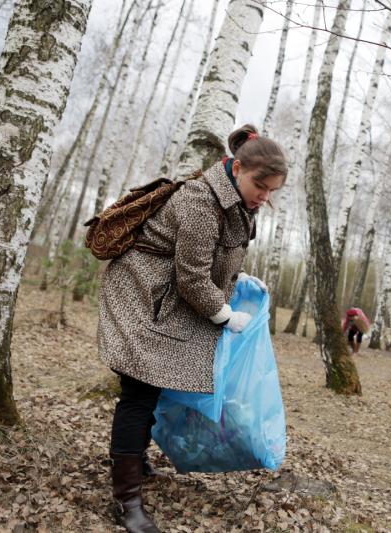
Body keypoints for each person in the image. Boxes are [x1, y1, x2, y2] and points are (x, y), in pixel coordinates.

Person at [97, 124, 287, 532]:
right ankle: (126, 498)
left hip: (169, 297)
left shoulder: (237, 201)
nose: (265, 196)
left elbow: (213, 257)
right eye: (261, 185)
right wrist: (223, 314)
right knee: (140, 390)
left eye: (273, 190)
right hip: (143, 294)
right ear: (238, 168)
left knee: (154, 387)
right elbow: (192, 277)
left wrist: (242, 282)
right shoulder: (203, 200)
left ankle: (135, 460)